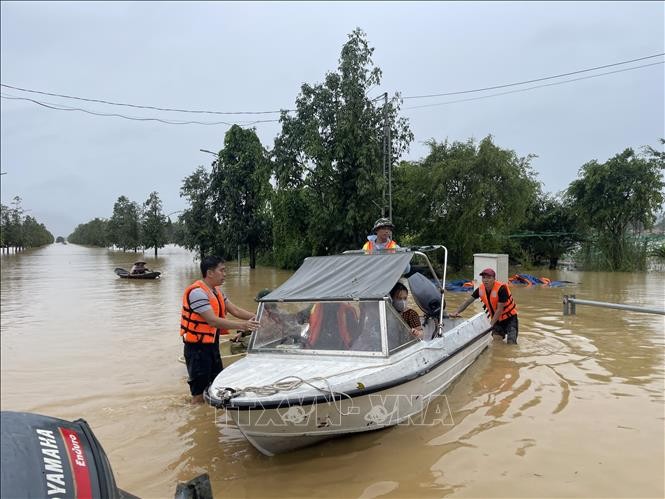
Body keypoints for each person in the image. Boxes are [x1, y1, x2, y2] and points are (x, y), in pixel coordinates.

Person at [180, 255, 260, 403]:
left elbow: (235, 310)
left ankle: (208, 417)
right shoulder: (197, 293)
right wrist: (243, 326)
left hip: (212, 345)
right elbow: (213, 321)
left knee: (215, 386)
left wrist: (259, 317)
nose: (225, 274)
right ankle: (197, 418)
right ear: (210, 273)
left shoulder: (216, 291)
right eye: (222, 270)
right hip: (197, 349)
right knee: (199, 394)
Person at [449, 268, 519, 344]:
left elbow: (499, 309)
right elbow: (468, 301)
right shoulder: (480, 289)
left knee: (511, 343)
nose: (486, 280)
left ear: (494, 279)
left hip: (510, 319)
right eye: (484, 278)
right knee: (496, 342)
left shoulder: (502, 289)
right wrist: (456, 312)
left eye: (489, 278)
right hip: (497, 320)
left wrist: (491, 324)